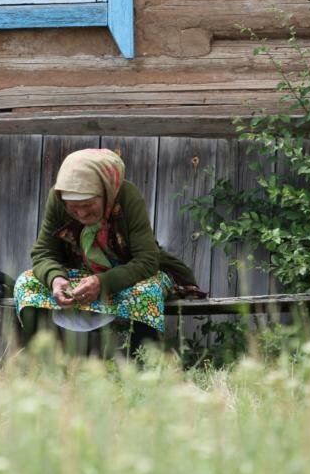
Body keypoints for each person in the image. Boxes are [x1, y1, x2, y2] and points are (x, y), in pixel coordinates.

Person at [13, 148, 205, 355]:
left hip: (131, 277)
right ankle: (40, 365)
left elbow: (147, 261)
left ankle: (144, 368)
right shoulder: (58, 199)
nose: (81, 212)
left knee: (146, 293)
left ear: (107, 193)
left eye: (88, 204)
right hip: (83, 275)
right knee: (27, 283)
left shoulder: (127, 197)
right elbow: (44, 253)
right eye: (73, 207)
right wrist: (56, 280)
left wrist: (102, 283)